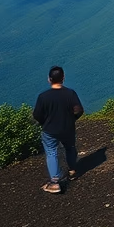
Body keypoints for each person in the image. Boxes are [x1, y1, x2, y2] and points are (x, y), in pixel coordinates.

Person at [32, 65, 83, 194]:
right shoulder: (70, 93)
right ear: (63, 78)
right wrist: (71, 120)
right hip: (68, 128)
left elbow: (37, 114)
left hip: (50, 130)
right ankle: (72, 171)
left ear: (49, 79)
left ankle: (55, 182)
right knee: (70, 148)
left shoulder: (43, 97)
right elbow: (79, 110)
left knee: (51, 152)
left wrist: (44, 123)